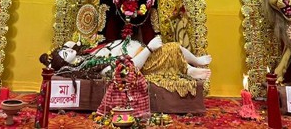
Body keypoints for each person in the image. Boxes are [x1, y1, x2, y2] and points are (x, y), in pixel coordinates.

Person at [48, 35, 210, 97]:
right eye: (64, 54)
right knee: (173, 47)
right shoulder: (94, 67)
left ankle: (193, 63)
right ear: (67, 64)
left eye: (65, 49)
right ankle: (190, 69)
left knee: (173, 47)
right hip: (143, 62)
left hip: (141, 50)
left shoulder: (88, 54)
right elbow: (127, 69)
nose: (68, 51)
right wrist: (148, 49)